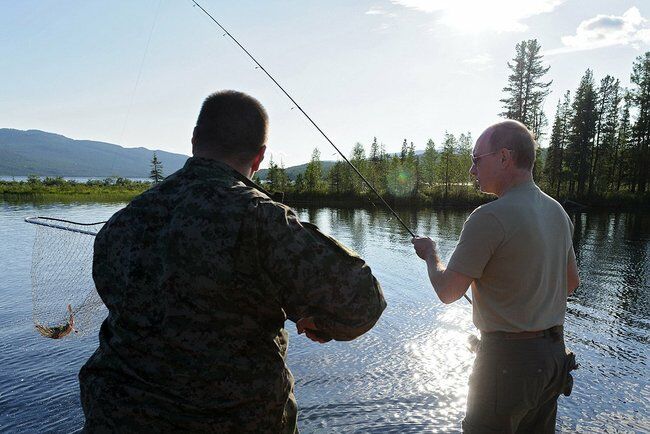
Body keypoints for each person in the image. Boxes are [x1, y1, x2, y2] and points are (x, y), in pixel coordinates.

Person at [79, 90, 386, 433]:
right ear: (259, 157)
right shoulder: (262, 220)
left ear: (194, 140)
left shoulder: (122, 222)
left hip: (116, 418)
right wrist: (322, 323)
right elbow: (364, 301)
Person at [412, 120, 579, 433]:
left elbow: (448, 291)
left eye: (476, 160)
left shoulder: (488, 217)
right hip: (554, 358)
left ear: (505, 157)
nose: (472, 171)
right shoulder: (558, 211)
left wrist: (431, 254)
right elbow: (571, 283)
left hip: (508, 363)